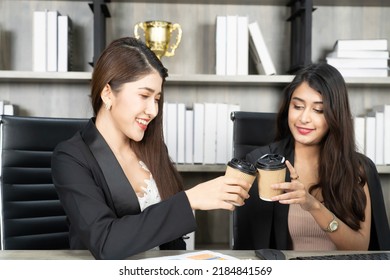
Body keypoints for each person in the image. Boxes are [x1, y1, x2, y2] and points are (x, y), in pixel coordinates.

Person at [51, 37, 250, 260]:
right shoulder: (71, 157)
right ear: (108, 93)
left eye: (157, 99)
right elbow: (105, 242)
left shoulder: (153, 148)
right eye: (144, 96)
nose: (153, 110)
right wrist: (189, 200)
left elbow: (172, 240)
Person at [234, 62, 387, 251]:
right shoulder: (261, 162)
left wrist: (313, 205)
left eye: (318, 110)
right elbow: (249, 244)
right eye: (297, 106)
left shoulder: (358, 168)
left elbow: (360, 247)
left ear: (335, 116)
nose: (304, 118)